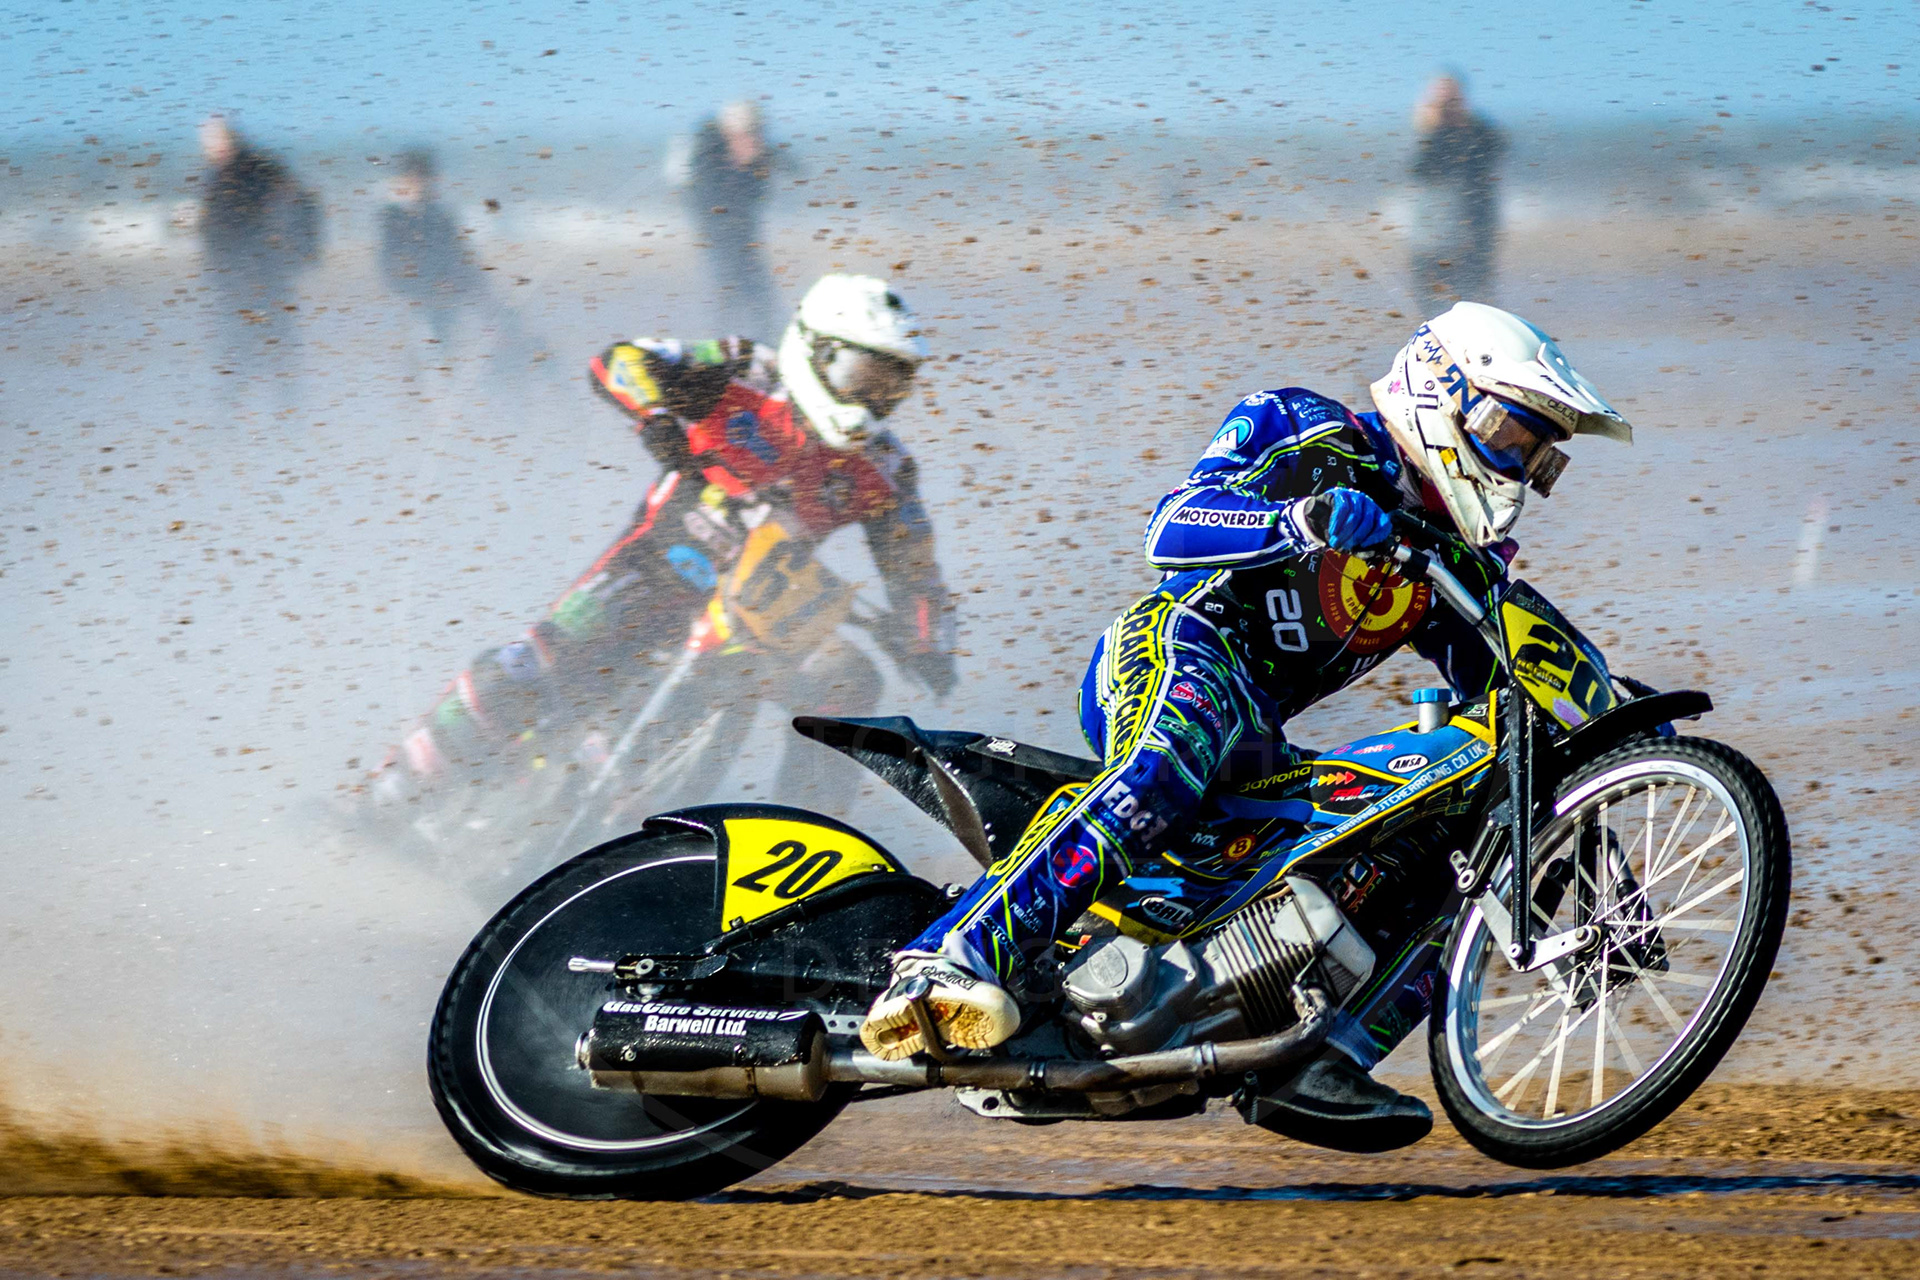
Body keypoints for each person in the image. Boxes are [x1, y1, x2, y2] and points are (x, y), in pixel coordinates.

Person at [860, 302, 1633, 1148]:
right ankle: (949, 959)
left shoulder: (1452, 558)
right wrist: (1294, 523)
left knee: (1451, 833)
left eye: (1534, 452)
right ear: (1438, 386)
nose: (1515, 462)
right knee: (1176, 753)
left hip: (1259, 733)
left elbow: (1509, 696)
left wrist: (1606, 748)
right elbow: (1171, 527)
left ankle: (1320, 1056)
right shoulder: (1308, 429)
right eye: (1505, 431)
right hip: (1179, 646)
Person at [375, 273, 955, 803]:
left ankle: (812, 839)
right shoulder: (745, 368)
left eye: (891, 387)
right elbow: (621, 360)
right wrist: (654, 417)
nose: (874, 400)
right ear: (817, 352)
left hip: (757, 611)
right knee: (533, 663)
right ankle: (392, 792)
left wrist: (926, 643)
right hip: (654, 567)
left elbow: (914, 564)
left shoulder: (885, 467)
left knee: (850, 683)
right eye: (863, 378)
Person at [196, 114, 322, 394]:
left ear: (232, 138)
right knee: (234, 369)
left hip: (266, 283)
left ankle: (288, 432)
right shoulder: (217, 175)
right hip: (231, 289)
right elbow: (215, 231)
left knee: (279, 367)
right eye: (208, 142)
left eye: (216, 140)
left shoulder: (260, 168)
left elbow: (303, 201)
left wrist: (304, 253)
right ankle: (230, 433)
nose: (211, 148)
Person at [671, 101, 781, 338]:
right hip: (721, 233)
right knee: (737, 290)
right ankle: (730, 340)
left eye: (758, 133)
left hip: (741, 232)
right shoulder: (708, 161)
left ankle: (754, 337)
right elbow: (710, 203)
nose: (756, 141)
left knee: (750, 291)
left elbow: (777, 162)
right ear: (731, 134)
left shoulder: (748, 149)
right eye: (750, 135)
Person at [1409, 74, 1506, 303]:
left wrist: (1465, 122)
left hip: (1475, 239)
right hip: (1429, 242)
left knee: (1477, 307)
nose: (1448, 107)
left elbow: (1499, 149)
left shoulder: (1478, 131)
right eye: (1442, 101)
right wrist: (1429, 127)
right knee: (1431, 312)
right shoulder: (1423, 132)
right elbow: (1415, 169)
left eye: (1453, 100)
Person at [378, 147, 486, 348]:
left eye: (422, 178)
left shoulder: (441, 215)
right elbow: (390, 264)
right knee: (424, 353)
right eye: (412, 177)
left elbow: (460, 256)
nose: (418, 183)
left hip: (444, 301)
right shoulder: (394, 216)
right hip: (413, 302)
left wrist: (460, 284)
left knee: (445, 352)